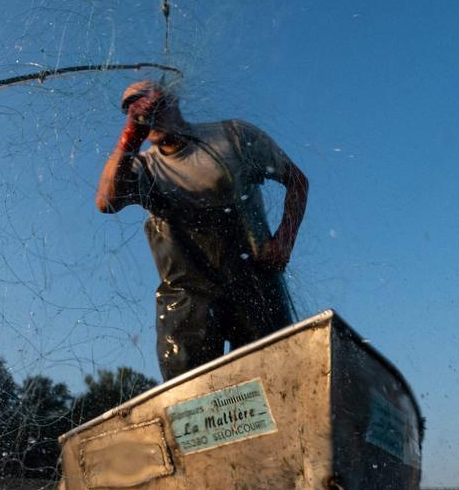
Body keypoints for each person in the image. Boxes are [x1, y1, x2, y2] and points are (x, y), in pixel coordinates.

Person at [95, 80, 309, 381]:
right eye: (133, 111)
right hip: (186, 297)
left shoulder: (233, 136)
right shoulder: (142, 167)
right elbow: (105, 201)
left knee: (278, 378)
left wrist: (284, 241)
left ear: (173, 101)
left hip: (254, 281)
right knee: (187, 391)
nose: (144, 114)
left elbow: (297, 181)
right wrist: (128, 140)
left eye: (151, 104)